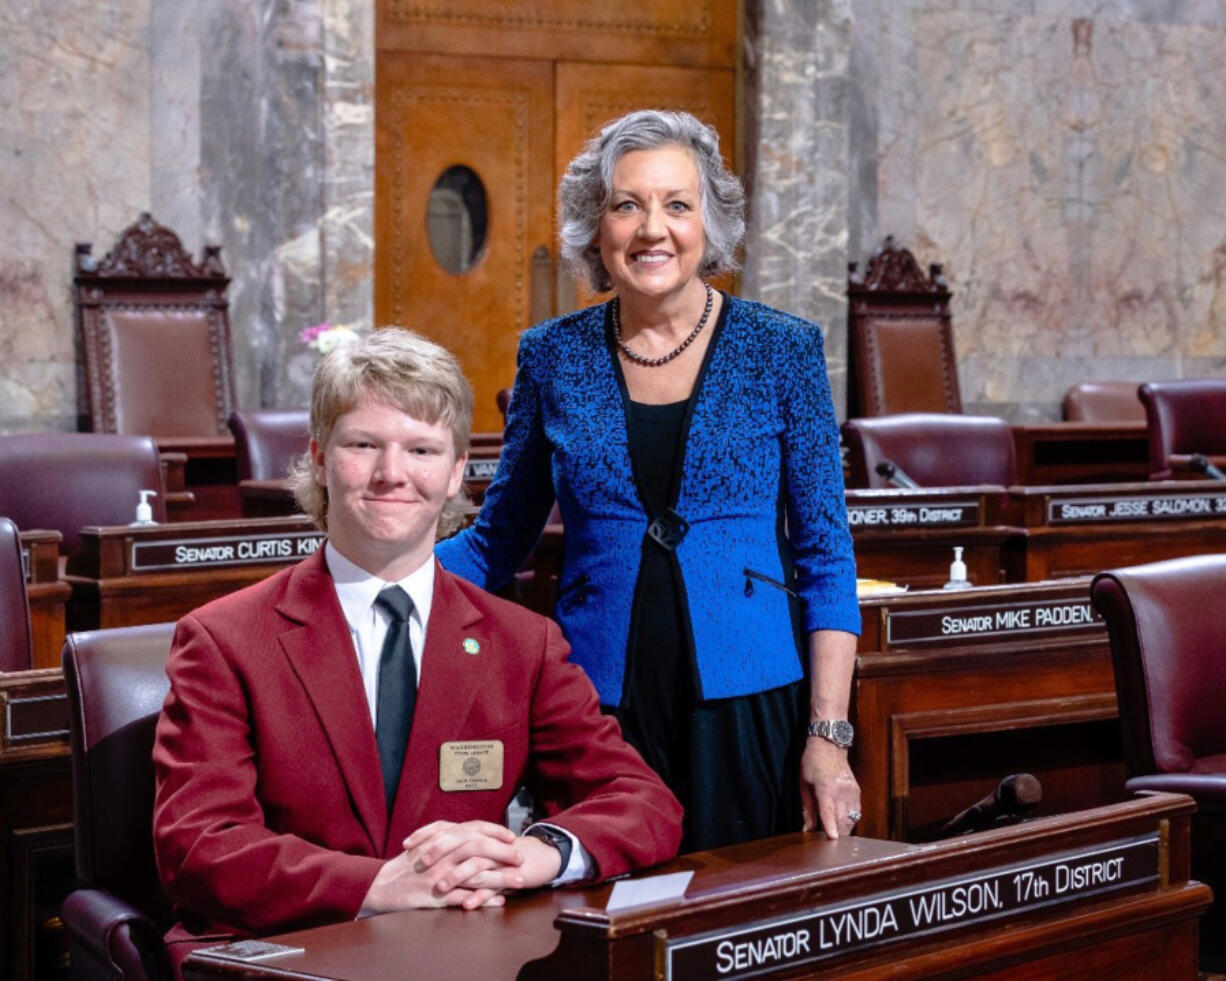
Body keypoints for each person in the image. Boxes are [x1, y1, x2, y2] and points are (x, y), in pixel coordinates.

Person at [152, 328, 682, 966]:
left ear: (458, 470)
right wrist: (379, 885)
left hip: (460, 956)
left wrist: (532, 855)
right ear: (319, 458)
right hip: (288, 953)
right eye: (363, 445)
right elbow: (199, 845)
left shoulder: (523, 642)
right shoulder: (223, 639)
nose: (391, 474)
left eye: (422, 450)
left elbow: (645, 803)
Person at [436, 109, 862, 852]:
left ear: (709, 222)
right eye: (627, 204)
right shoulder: (551, 356)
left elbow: (826, 556)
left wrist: (828, 736)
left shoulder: (784, 351)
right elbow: (500, 538)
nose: (651, 229)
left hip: (749, 699)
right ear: (596, 227)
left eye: (676, 204)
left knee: (735, 929)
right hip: (599, 702)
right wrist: (365, 581)